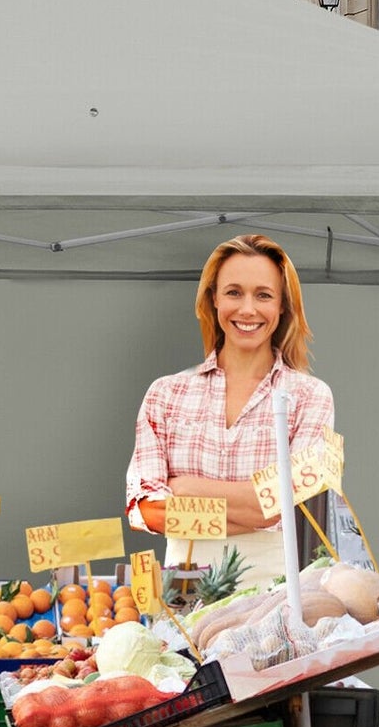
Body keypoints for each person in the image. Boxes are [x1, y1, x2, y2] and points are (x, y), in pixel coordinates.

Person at [125, 233, 335, 583]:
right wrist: (255, 506)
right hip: (183, 591)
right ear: (214, 300)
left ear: (282, 305)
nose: (248, 309)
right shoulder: (165, 394)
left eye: (263, 295)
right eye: (234, 292)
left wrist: (187, 488)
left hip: (275, 594)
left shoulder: (310, 397)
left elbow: (291, 507)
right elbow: (145, 511)